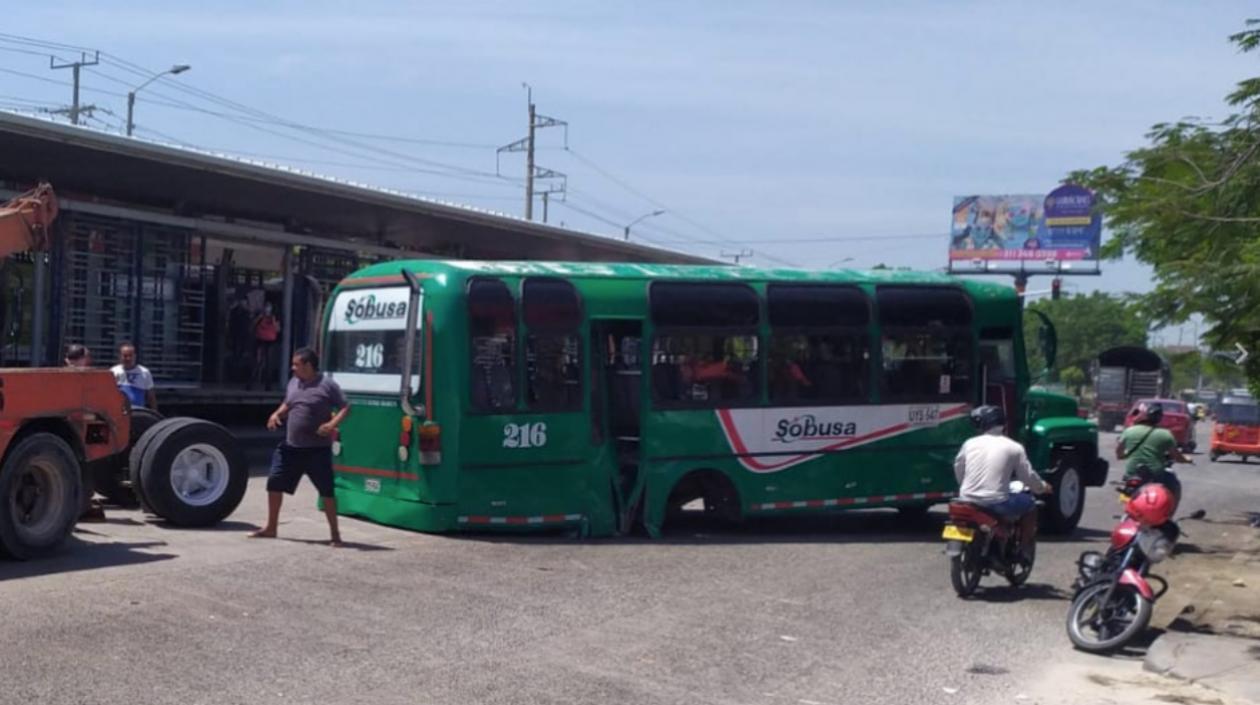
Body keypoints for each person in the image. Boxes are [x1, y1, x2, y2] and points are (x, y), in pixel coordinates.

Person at [250, 347, 350, 546]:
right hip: (291, 447)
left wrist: (331, 425)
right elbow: (289, 403)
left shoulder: (327, 385)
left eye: (296, 364)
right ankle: (271, 527)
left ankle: (335, 534)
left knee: (326, 491)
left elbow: (345, 407)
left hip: (317, 449)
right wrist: (277, 414)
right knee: (274, 483)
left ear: (308, 365)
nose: (292, 368)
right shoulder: (294, 383)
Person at [954, 405, 1052, 558]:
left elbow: (958, 467)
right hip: (996, 502)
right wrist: (1042, 487)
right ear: (1002, 424)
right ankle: (1025, 548)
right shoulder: (1014, 447)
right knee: (1030, 505)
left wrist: (964, 486)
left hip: (966, 498)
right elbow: (1027, 476)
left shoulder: (969, 443)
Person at [1116, 401, 1190, 501]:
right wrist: (1186, 460)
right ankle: (1168, 512)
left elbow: (1118, 452)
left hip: (1132, 473)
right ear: (1159, 418)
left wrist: (1123, 456)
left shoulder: (1129, 431)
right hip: (1155, 475)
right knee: (1173, 483)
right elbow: (1176, 456)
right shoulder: (1165, 434)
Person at [111, 343, 157, 410]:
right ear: (120, 356)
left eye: (130, 355)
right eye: (125, 356)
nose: (128, 358)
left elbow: (151, 397)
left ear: (135, 356)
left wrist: (154, 412)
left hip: (138, 411)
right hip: (119, 411)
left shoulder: (144, 372)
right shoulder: (113, 371)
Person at [252, 302, 281, 390]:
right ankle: (251, 383)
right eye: (266, 307)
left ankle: (268, 385)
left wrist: (273, 320)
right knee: (258, 362)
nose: (267, 309)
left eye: (269, 307)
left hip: (270, 341)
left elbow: (278, 329)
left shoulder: (274, 317)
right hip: (261, 341)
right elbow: (253, 325)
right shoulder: (260, 317)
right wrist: (260, 317)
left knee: (269, 364)